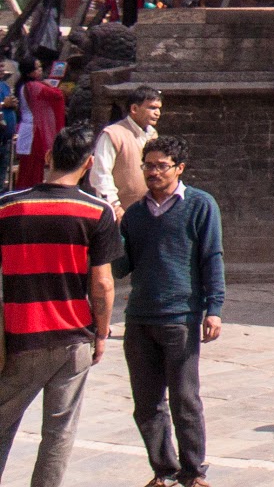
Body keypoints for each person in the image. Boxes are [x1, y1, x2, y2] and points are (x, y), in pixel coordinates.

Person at [0, 123, 119, 487]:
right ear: (88, 164)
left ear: (49, 157)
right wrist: (101, 333)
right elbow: (102, 284)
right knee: (59, 432)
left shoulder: (7, 207)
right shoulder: (98, 212)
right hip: (73, 338)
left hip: (20, 336)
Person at [116, 134, 224, 487]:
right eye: (148, 166)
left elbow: (212, 257)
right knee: (146, 404)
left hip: (180, 317)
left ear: (179, 168)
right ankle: (164, 470)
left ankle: (194, 472)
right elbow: (123, 265)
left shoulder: (200, 205)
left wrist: (214, 308)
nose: (153, 172)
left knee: (185, 400)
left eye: (161, 166)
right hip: (140, 316)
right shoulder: (133, 214)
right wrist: (106, 235)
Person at [90, 84, 162, 214]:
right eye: (152, 108)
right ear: (134, 108)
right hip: (120, 212)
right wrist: (115, 208)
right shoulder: (113, 134)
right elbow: (100, 175)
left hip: (149, 211)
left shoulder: (152, 135)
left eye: (158, 108)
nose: (157, 113)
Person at [15, 52, 65, 189]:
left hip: (29, 130)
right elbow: (57, 96)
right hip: (34, 132)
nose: (40, 70)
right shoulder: (34, 86)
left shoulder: (26, 85)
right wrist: (51, 85)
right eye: (37, 68)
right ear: (29, 71)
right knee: (33, 168)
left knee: (28, 168)